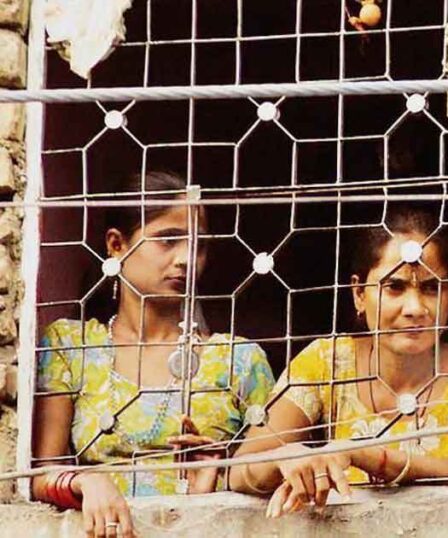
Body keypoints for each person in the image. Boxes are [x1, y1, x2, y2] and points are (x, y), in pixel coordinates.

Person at [33, 171, 275, 538]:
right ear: (116, 245)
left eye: (200, 244)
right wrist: (86, 481)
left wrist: (216, 479)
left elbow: (271, 476)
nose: (187, 258)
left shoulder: (239, 361)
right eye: (168, 240)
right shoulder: (72, 347)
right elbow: (38, 474)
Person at [229, 207, 448, 517]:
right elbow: (239, 471)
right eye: (395, 287)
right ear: (358, 294)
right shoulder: (326, 362)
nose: (415, 308)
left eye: (432, 288)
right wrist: (288, 457)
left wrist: (362, 454)